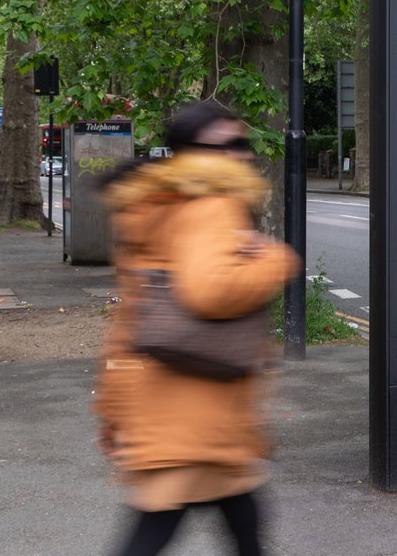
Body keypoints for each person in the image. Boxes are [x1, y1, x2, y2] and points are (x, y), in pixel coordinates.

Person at [94, 101, 301, 556]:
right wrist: (276, 258)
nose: (244, 155)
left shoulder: (151, 206)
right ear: (195, 151)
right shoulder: (212, 204)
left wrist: (112, 406)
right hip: (198, 402)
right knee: (162, 527)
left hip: (162, 397)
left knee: (241, 518)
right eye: (232, 144)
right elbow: (211, 292)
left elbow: (127, 317)